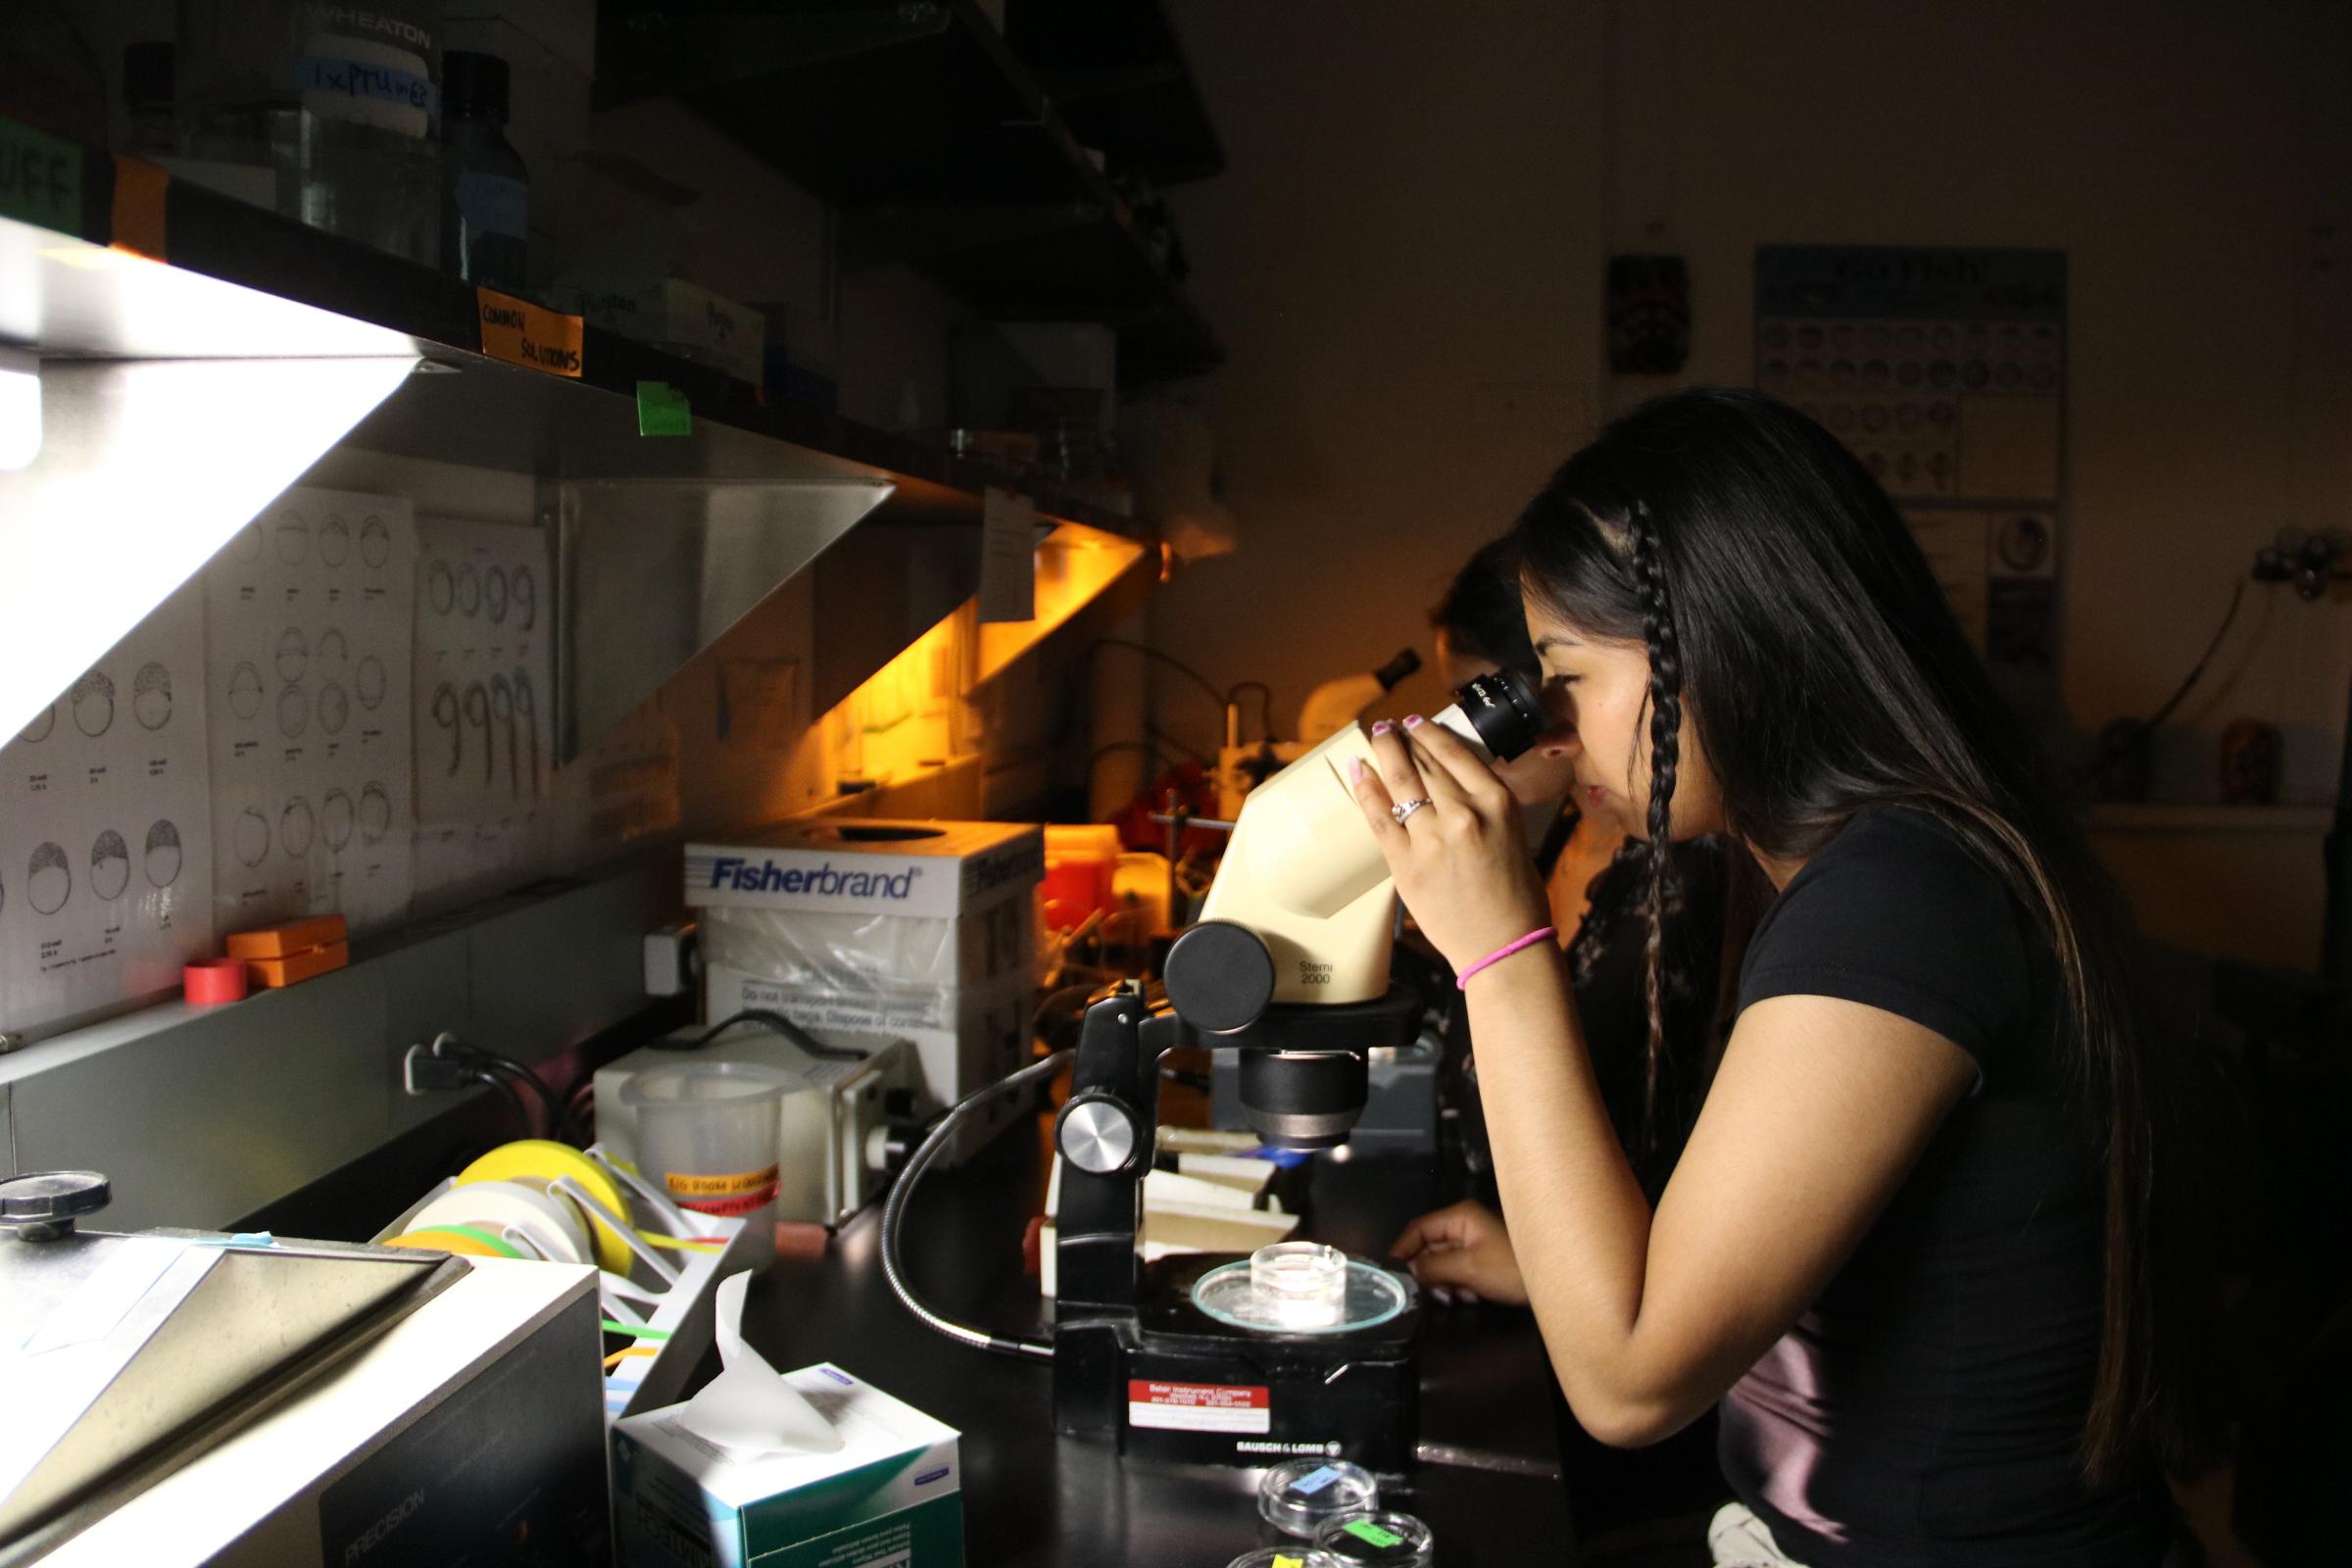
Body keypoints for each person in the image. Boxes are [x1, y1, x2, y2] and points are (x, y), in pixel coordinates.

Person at [1359, 388, 2202, 1565]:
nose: (1548, 733)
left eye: (1568, 676)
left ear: (1723, 644)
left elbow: (1631, 1382)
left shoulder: (1900, 902)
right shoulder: (1851, 867)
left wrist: (1496, 949)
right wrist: (1550, 1265)